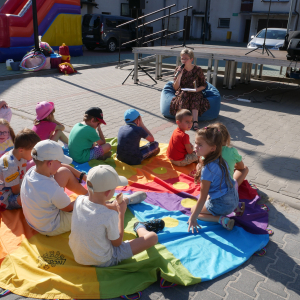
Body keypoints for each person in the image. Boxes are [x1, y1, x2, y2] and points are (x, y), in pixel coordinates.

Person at [69, 165, 165, 267]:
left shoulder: (79, 200)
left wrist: (111, 206)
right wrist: (121, 213)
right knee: (152, 238)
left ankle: (126, 201)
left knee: (102, 222)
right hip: (104, 260)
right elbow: (117, 243)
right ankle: (139, 226)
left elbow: (95, 209)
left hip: (79, 257)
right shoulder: (109, 216)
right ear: (108, 192)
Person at [21, 140, 88, 236]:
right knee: (89, 209)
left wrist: (82, 175)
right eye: (59, 161)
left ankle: (87, 193)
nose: (61, 164)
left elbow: (62, 167)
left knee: (63, 172)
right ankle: (89, 196)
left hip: (34, 220)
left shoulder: (32, 171)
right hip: (50, 227)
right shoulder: (52, 189)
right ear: (50, 163)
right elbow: (68, 208)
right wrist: (87, 199)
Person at [187, 125, 240, 233]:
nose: (195, 146)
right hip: (234, 199)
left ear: (212, 148)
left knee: (193, 209)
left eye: (200, 145)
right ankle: (235, 208)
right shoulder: (221, 160)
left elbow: (202, 197)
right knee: (205, 200)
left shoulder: (207, 169)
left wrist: (193, 217)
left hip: (223, 205)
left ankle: (221, 219)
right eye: (196, 143)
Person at [0, 129, 40, 211]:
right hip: (5, 198)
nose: (35, 154)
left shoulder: (20, 155)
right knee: (32, 198)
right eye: (33, 151)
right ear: (21, 150)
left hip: (16, 187)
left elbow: (22, 176)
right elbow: (16, 191)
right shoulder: (11, 166)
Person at [170, 49, 210, 131]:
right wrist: (179, 75)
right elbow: (175, 87)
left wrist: (196, 90)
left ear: (191, 59)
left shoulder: (198, 69)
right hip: (183, 91)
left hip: (195, 91)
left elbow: (204, 85)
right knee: (184, 96)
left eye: (186, 58)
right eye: (182, 58)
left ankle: (195, 122)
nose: (183, 60)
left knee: (195, 97)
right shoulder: (178, 69)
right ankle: (184, 122)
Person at [216, 122, 249, 187]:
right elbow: (241, 167)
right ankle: (232, 187)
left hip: (208, 185)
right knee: (245, 168)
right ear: (227, 137)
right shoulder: (232, 151)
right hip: (226, 188)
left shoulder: (205, 151)